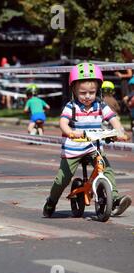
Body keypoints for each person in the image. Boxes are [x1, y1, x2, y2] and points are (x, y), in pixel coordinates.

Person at [43, 63, 131, 218]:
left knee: (107, 169)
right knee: (63, 178)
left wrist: (119, 131)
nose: (88, 96)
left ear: (98, 90)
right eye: (83, 93)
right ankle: (51, 201)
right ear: (74, 91)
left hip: (93, 148)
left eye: (92, 92)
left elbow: (114, 119)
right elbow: (63, 122)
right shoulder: (71, 107)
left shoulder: (100, 105)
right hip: (73, 149)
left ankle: (115, 199)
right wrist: (70, 132)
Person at [123, 76, 134, 142]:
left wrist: (127, 103)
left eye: (132, 85)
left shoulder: (132, 92)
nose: (132, 87)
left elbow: (125, 98)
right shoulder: (132, 92)